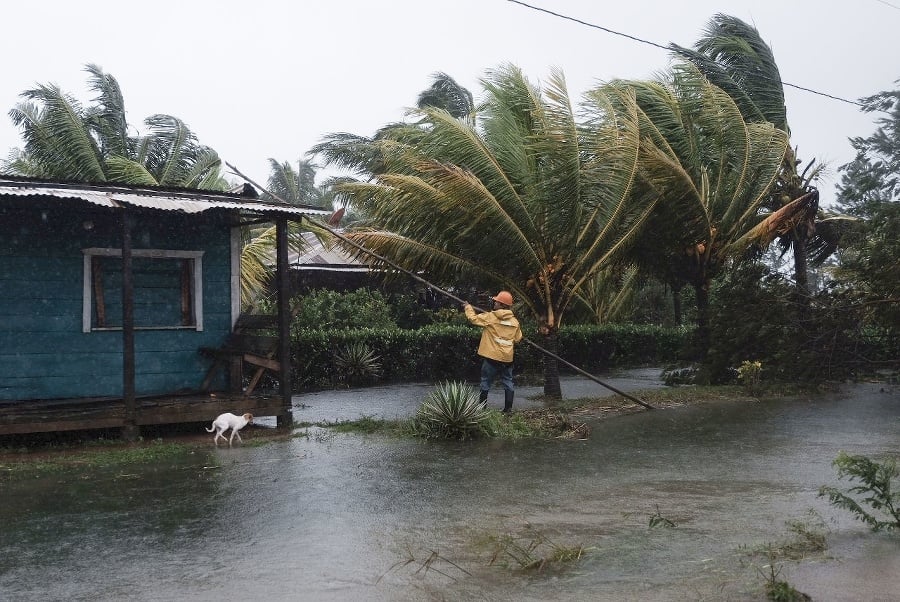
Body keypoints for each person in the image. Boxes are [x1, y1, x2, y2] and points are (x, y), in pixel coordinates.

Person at [463, 290, 523, 413]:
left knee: (485, 382)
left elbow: (473, 319)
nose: (494, 303)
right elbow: (517, 339)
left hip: (492, 358)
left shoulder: (491, 317)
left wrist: (468, 307)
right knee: (508, 382)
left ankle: (482, 409)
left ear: (502, 305)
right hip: (507, 359)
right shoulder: (515, 322)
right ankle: (508, 409)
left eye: (496, 302)